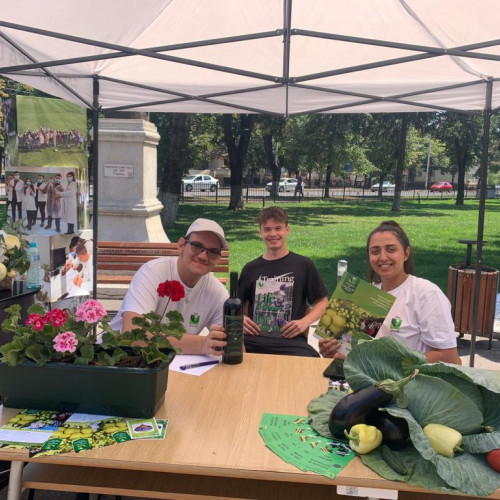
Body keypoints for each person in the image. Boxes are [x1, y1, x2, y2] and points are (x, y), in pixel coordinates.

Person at [319, 220, 459, 364]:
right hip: (368, 379)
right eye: (375, 251)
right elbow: (352, 352)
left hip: (411, 383)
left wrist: (387, 365)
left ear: (406, 253)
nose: (383, 257)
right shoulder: (367, 294)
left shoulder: (426, 293)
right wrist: (332, 350)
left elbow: (449, 357)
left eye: (391, 249)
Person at [110, 218, 229, 356]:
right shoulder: (153, 272)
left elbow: (233, 347)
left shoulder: (216, 291)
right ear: (181, 245)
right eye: (196, 245)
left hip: (170, 366)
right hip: (119, 359)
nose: (203, 256)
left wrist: (233, 331)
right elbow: (133, 336)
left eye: (213, 251)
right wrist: (201, 344)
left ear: (218, 259)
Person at [238, 207, 328, 357]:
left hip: (291, 343)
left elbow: (323, 301)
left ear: (287, 230)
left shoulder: (304, 265)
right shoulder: (250, 269)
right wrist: (240, 318)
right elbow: (232, 305)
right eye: (267, 229)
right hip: (252, 341)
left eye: (278, 228)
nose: (273, 234)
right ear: (260, 232)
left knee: (313, 363)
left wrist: (305, 322)